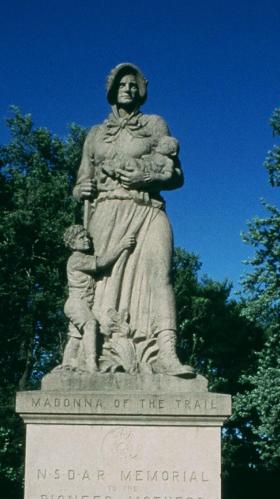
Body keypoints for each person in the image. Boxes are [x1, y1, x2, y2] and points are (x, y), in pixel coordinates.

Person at [72, 63, 195, 376]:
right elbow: (82, 180)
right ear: (112, 89)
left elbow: (176, 176)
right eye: (122, 84)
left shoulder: (155, 124)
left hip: (147, 207)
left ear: (141, 90)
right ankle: (96, 354)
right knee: (102, 286)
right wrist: (80, 188)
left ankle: (166, 354)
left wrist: (144, 175)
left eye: (133, 84)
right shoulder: (95, 134)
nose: (128, 89)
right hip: (107, 213)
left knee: (161, 274)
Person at [58, 225, 136, 372]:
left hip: (82, 304)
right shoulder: (76, 259)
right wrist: (122, 245)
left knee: (75, 337)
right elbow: (101, 263)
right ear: (72, 243)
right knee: (91, 324)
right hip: (76, 302)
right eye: (81, 238)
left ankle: (66, 365)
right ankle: (91, 364)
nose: (86, 240)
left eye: (87, 237)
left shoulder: (82, 257)